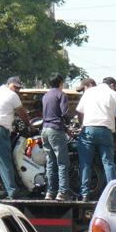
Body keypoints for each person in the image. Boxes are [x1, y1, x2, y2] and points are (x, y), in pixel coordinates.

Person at [76, 77, 116, 201]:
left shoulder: (89, 92)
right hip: (105, 132)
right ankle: (113, 195)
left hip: (89, 130)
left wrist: (82, 125)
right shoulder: (115, 95)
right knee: (108, 163)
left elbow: (79, 111)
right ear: (111, 85)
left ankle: (85, 194)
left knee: (85, 163)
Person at [41, 73, 70, 201]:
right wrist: (69, 125)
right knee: (62, 162)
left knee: (50, 162)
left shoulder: (46, 96)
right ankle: (62, 192)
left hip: (45, 130)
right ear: (60, 83)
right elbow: (64, 113)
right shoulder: (61, 94)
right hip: (56, 129)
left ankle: (50, 192)